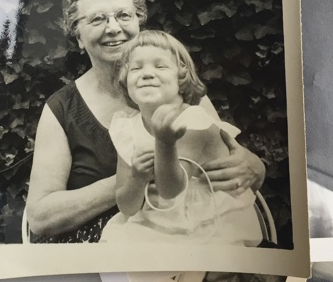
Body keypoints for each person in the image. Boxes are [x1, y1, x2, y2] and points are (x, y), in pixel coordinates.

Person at [25, 0, 266, 243]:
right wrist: (130, 178)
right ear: (78, 37)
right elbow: (39, 217)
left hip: (189, 237)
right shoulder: (62, 109)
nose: (114, 27)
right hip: (100, 248)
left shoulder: (181, 92)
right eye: (97, 19)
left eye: (124, 16)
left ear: (139, 25)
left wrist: (256, 167)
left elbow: (221, 171)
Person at [99, 30, 262, 245]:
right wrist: (137, 179)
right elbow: (126, 207)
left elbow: (170, 190)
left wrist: (165, 142)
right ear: (125, 80)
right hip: (160, 219)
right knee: (116, 246)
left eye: (160, 66)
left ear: (181, 77)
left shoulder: (194, 121)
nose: (147, 73)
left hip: (211, 219)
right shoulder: (127, 128)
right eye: (136, 68)